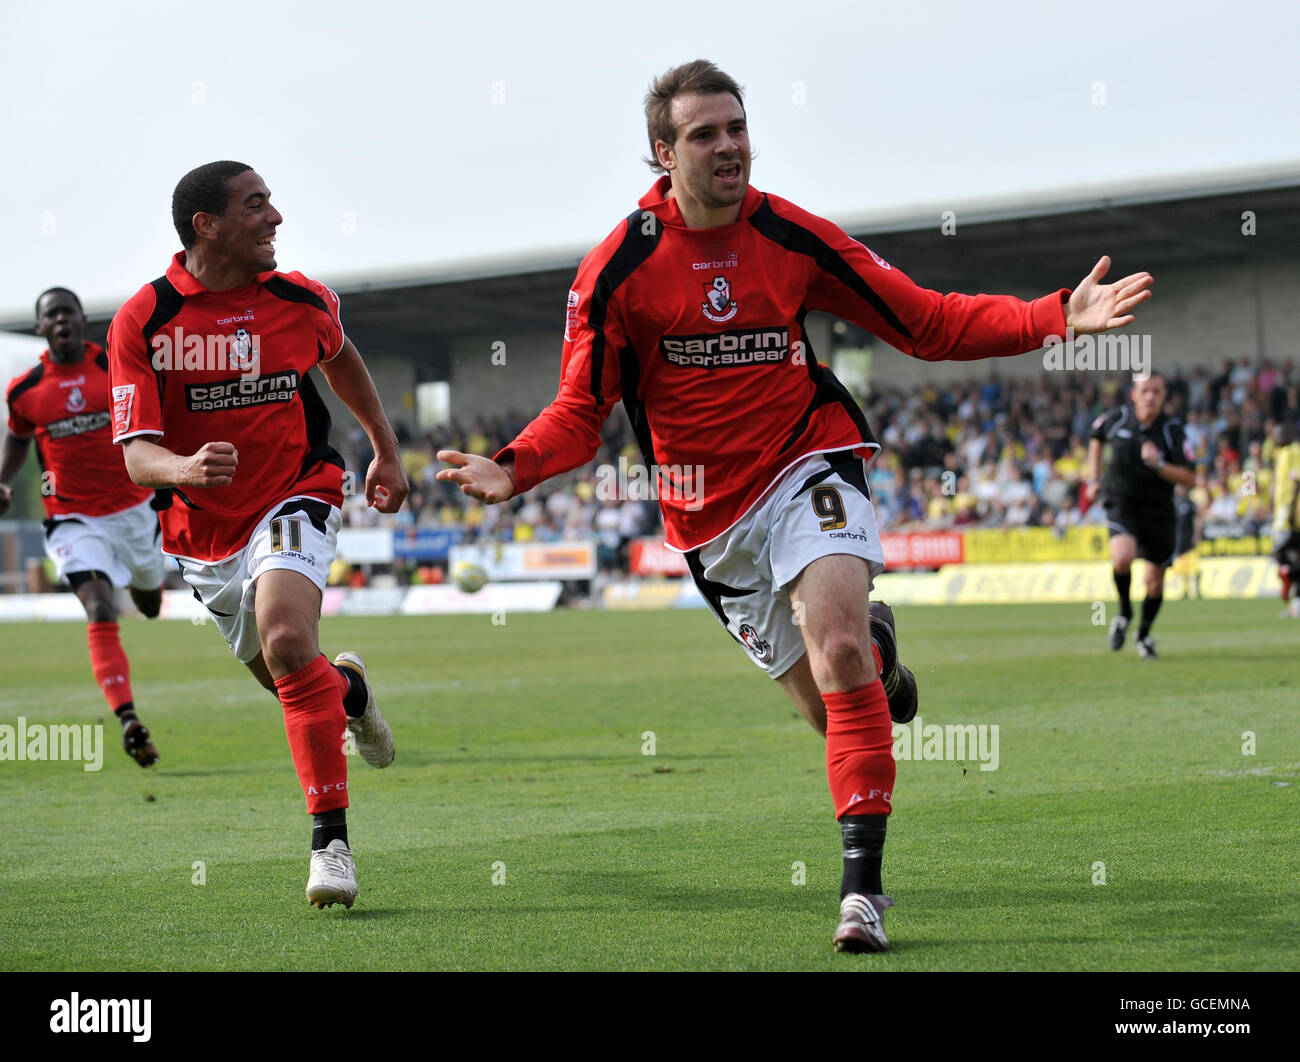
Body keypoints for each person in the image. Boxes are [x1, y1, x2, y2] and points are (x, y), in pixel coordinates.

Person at [437, 59, 1153, 953]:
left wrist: (1052, 315)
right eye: (706, 134)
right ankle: (881, 664)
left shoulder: (790, 236)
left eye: (737, 127)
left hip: (807, 459)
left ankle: (863, 895)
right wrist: (517, 466)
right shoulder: (618, 268)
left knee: (838, 649)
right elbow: (583, 410)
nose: (730, 146)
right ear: (663, 153)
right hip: (707, 519)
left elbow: (924, 321)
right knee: (835, 706)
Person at [107, 161, 409, 908]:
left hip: (295, 492)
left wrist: (385, 444)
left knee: (283, 638)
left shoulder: (301, 299)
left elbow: (341, 360)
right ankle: (352, 693)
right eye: (256, 205)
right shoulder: (144, 320)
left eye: (271, 203)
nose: (275, 217)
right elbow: (136, 455)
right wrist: (182, 467)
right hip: (201, 533)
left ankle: (330, 846)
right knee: (292, 678)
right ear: (206, 226)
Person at [1, 287, 166, 766]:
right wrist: (3, 482)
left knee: (150, 603)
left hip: (134, 511)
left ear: (80, 319)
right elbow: (16, 438)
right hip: (71, 518)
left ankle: (144, 587)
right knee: (98, 606)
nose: (60, 321)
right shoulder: (25, 390)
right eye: (50, 315)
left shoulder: (114, 368)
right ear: (40, 327)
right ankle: (129, 718)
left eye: (67, 312)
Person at [1085, 374, 1196, 657]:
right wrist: (1093, 479)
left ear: (1164, 395)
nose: (1150, 397)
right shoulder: (1117, 419)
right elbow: (1095, 439)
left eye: (1157, 391)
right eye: (1145, 391)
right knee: (1122, 557)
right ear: (1133, 394)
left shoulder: (1172, 431)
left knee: (1154, 582)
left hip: (1159, 510)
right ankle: (1123, 613)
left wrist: (1159, 465)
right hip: (1122, 501)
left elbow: (1190, 478)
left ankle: (1144, 635)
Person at [1270, 422, 1300, 618]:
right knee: (1286, 555)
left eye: (1280, 433)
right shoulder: (1279, 455)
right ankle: (1296, 604)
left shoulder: (1294, 450)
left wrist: (1291, 509)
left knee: (1280, 552)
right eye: (1275, 434)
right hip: (1281, 515)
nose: (1277, 437)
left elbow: (1297, 480)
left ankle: (1289, 578)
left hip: (1294, 515)